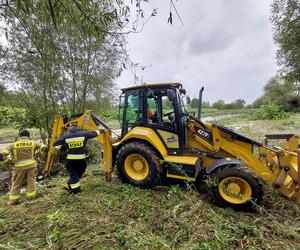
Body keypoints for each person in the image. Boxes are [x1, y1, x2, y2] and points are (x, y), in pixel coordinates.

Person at [53, 122, 102, 194]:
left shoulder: (66, 136)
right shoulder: (83, 134)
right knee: (76, 174)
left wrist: (65, 147)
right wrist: (101, 130)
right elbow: (94, 134)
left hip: (70, 160)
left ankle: (70, 184)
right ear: (77, 126)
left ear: (70, 127)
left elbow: (56, 144)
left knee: (74, 174)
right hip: (81, 160)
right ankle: (75, 190)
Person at [1, 130, 45, 205]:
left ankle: (13, 201)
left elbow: (2, 155)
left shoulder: (13, 145)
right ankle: (31, 198)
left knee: (16, 183)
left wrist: (8, 162)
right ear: (28, 136)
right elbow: (43, 147)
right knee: (31, 182)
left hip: (18, 167)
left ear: (20, 136)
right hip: (31, 166)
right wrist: (39, 155)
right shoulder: (32, 143)